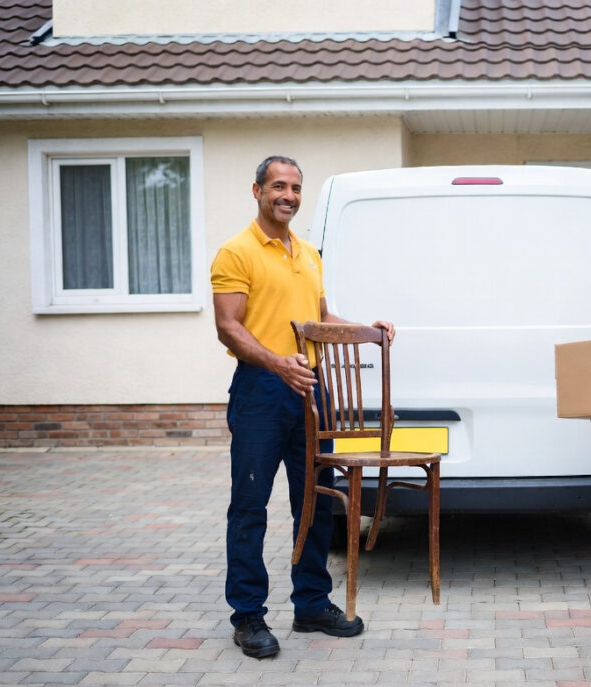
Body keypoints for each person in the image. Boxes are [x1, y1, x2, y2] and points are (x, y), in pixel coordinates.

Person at [211, 155, 395, 658]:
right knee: (249, 507)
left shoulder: (309, 254)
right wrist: (278, 365)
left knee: (315, 501)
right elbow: (228, 326)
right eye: (278, 186)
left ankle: (312, 604)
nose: (288, 195)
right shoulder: (236, 251)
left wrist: (368, 331)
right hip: (261, 391)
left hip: (312, 391)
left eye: (294, 187)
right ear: (257, 191)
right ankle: (248, 616)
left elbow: (320, 317)